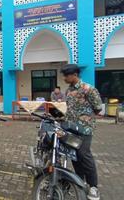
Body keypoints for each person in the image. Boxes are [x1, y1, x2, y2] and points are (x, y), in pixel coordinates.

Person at [61, 64, 102, 200]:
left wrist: (85, 118)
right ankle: (80, 180)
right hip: (71, 129)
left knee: (84, 155)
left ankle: (94, 187)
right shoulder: (68, 91)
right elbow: (70, 109)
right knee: (74, 155)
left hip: (84, 129)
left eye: (66, 75)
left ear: (74, 75)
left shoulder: (88, 89)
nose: (65, 78)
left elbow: (97, 107)